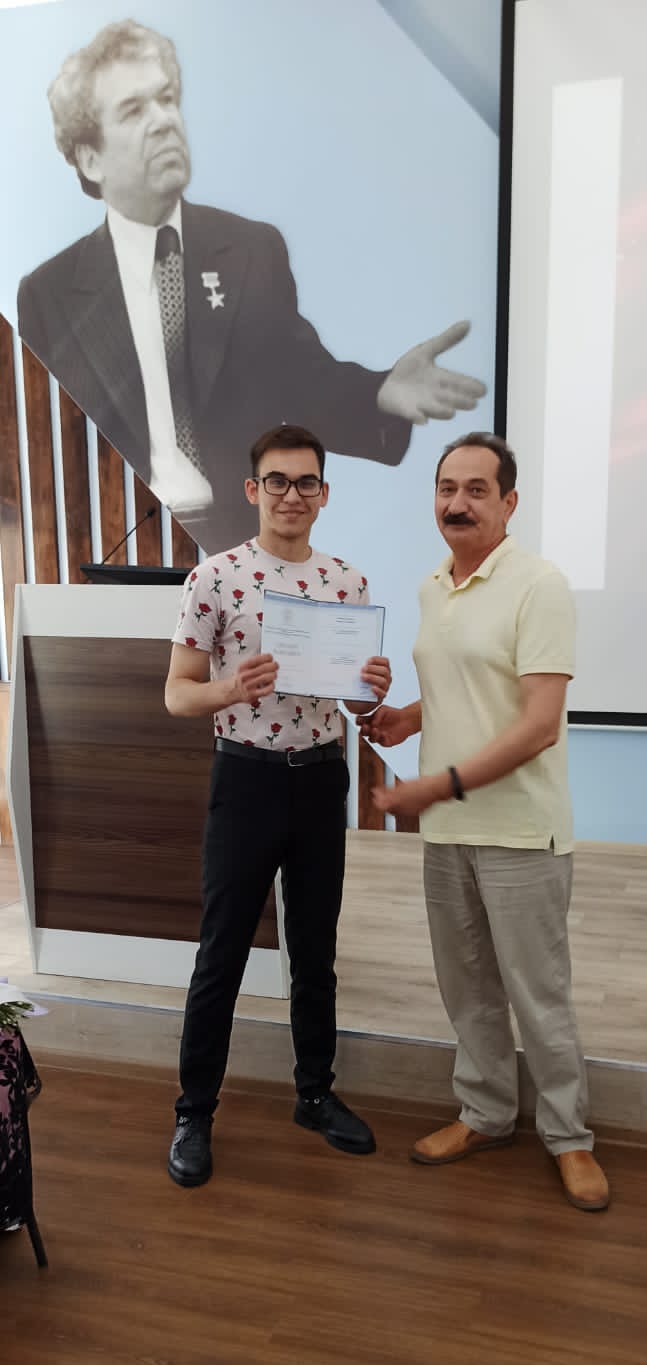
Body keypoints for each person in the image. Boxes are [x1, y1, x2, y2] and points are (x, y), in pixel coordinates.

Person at [17, 18, 486, 554]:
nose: (164, 121)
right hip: (117, 546)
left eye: (167, 100)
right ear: (90, 157)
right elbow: (49, 450)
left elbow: (302, 381)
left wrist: (380, 393)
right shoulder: (49, 295)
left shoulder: (249, 251)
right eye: (134, 111)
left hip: (237, 547)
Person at [360, 432, 610, 1212]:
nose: (457, 503)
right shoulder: (434, 585)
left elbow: (537, 725)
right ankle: (486, 1114)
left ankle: (568, 1137)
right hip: (448, 833)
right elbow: (464, 685)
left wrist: (436, 785)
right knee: (466, 986)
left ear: (508, 503)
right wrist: (406, 717)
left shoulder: (539, 586)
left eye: (475, 489)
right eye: (446, 488)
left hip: (519, 829)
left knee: (538, 994)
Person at [164, 422, 390, 1186]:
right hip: (247, 779)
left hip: (321, 779)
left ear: (324, 494)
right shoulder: (216, 578)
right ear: (252, 490)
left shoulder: (347, 583)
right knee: (222, 951)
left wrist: (371, 695)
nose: (292, 495)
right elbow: (177, 694)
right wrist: (231, 688)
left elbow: (356, 708)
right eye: (277, 481)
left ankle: (314, 1094)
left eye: (306, 482)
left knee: (315, 950)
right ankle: (194, 1111)